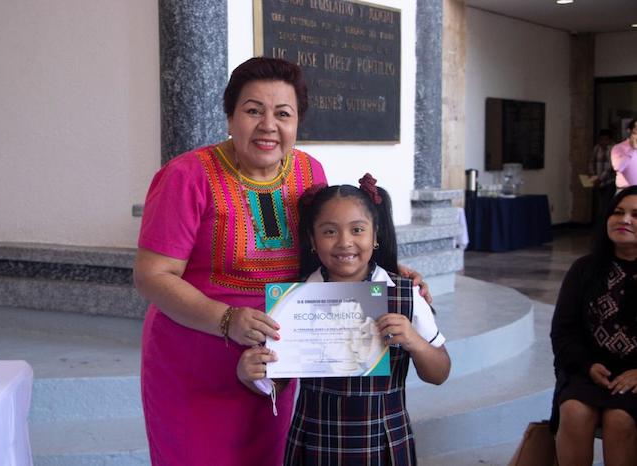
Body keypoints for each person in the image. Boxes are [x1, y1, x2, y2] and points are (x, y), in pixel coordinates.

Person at [134, 57, 430, 466]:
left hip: (278, 360)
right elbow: (152, 276)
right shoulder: (187, 176)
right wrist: (226, 319)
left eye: (283, 114)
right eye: (253, 110)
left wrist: (394, 274)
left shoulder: (310, 171)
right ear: (230, 117)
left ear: (297, 123)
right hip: (194, 362)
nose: (268, 125)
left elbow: (333, 250)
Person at [237, 174, 451, 465]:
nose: (345, 242)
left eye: (357, 229)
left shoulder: (405, 297)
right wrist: (249, 374)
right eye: (329, 232)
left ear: (375, 236)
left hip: (384, 443)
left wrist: (415, 342)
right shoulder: (295, 302)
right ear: (312, 239)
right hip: (314, 443)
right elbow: (278, 383)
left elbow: (439, 373)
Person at [550, 185, 637, 465]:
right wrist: (587, 365)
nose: (624, 220)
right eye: (618, 212)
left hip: (636, 377)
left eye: (636, 215)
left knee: (620, 419)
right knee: (575, 411)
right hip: (587, 369)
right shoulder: (584, 270)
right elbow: (563, 331)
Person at [589, 128, 615, 221]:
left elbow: (610, 167)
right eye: (601, 139)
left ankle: (605, 223)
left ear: (610, 140)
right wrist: (593, 175)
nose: (603, 142)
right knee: (600, 204)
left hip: (609, 181)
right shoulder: (596, 148)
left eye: (606, 139)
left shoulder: (613, 150)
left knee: (607, 203)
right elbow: (591, 162)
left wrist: (600, 178)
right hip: (598, 182)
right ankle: (600, 223)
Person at [611, 118, 637, 190]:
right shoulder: (618, 148)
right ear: (629, 131)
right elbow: (619, 167)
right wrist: (632, 149)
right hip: (625, 191)